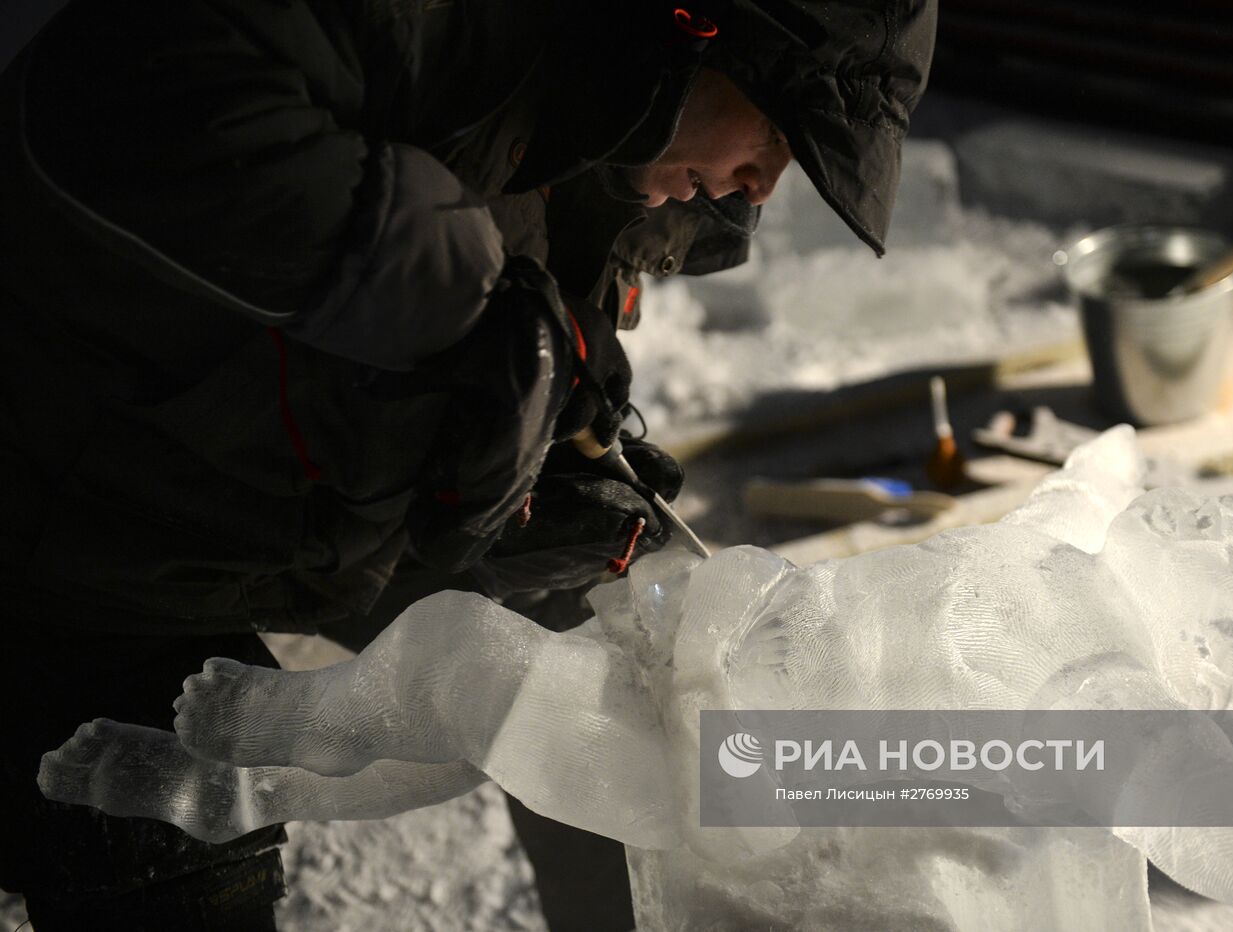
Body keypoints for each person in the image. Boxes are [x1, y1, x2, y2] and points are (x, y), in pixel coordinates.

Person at [0, 0, 937, 928]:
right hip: (80, 518)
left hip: (255, 505)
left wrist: (528, 481)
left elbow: (476, 365)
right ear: (697, 31)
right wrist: (452, 299)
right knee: (160, 828)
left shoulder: (607, 143)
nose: (765, 186)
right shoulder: (440, 23)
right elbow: (119, 101)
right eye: (776, 128)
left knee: (611, 687)